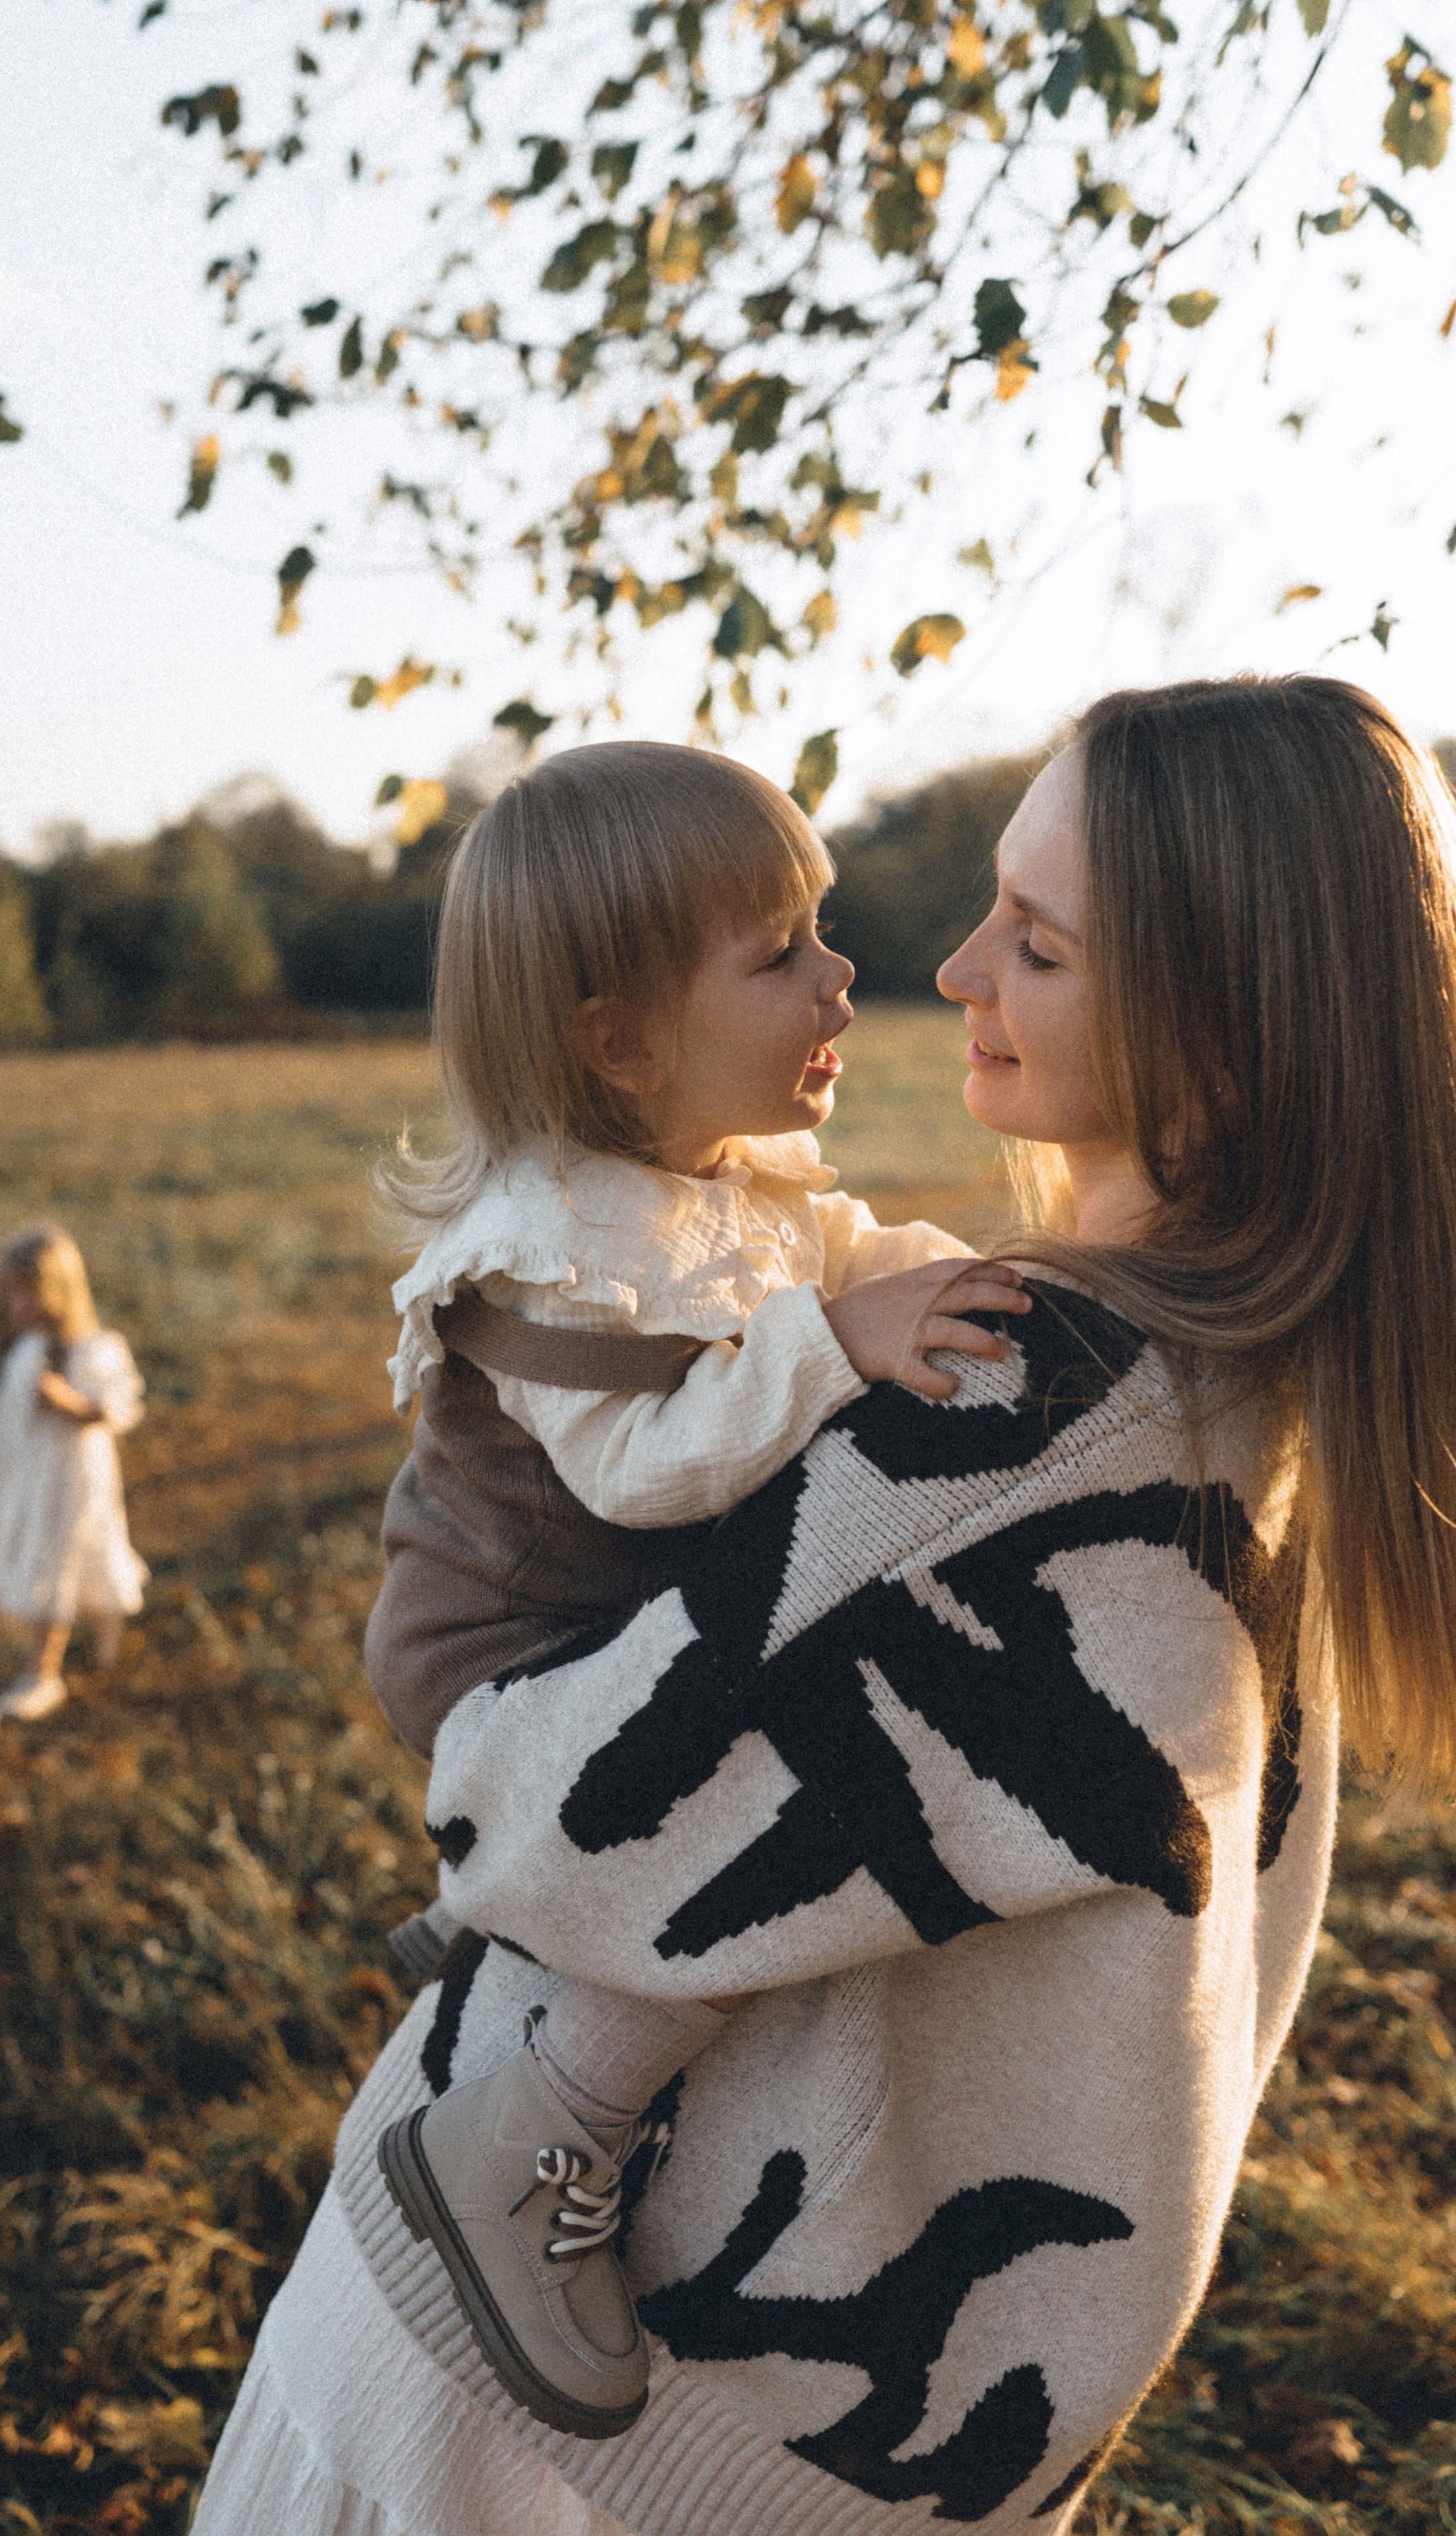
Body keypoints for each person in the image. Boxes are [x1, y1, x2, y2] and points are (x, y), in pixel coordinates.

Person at [196, 675, 1456, 2536]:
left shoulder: (1052, 1417)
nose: (945, 970)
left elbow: (549, 1821)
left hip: (569, 2455)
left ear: (1228, 1034)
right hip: (633, 2413)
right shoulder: (1241, 1397)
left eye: (1034, 943)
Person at [360, 740, 1028, 2436]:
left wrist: (967, 1281)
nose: (842, 971)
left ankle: (523, 1900)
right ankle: (542, 2122)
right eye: (776, 952)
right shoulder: (548, 1241)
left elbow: (857, 1260)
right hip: (513, 1651)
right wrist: (833, 1338)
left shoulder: (724, 1184)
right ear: (615, 1037)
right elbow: (640, 1467)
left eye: (816, 927)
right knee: (780, 1809)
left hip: (624, 1622)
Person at [0, 1223, 146, 1729]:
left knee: (58, 1559)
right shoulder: (9, 1351)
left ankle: (42, 1674)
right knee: (55, 1556)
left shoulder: (88, 1350)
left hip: (67, 1479)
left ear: (61, 1291)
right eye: (10, 1293)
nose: (17, 1304)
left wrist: (70, 1403)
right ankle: (101, 1617)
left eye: (28, 1292)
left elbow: (117, 1409)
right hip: (22, 1479)